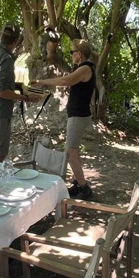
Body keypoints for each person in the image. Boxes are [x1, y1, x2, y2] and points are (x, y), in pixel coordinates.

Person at [31, 38, 96, 199]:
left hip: (78, 116)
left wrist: (41, 82)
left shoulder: (85, 68)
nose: (71, 55)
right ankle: (78, 182)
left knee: (70, 153)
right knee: (74, 151)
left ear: (79, 54)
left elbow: (65, 81)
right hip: (77, 115)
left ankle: (84, 188)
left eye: (72, 52)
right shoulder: (83, 68)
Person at [0, 23, 42, 161]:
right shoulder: (5, 58)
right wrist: (25, 97)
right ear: (15, 42)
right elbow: (1, 91)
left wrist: (18, 86)